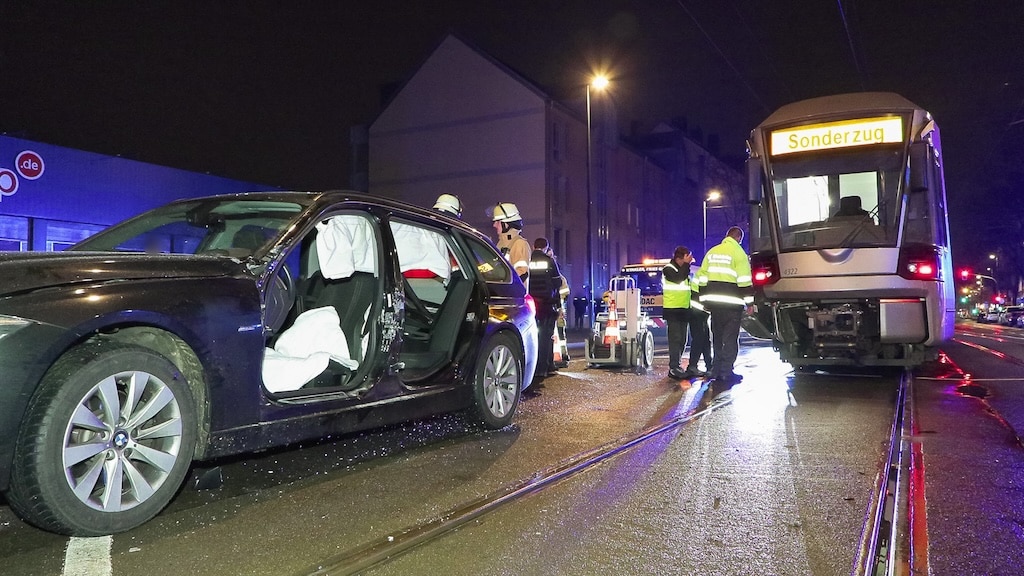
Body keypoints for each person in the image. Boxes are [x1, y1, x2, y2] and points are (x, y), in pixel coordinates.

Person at [696, 226, 754, 385]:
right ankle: (726, 372)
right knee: (729, 339)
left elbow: (702, 278)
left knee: (717, 338)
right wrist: (749, 303)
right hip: (732, 305)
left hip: (714, 304)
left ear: (726, 236)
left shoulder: (712, 252)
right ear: (739, 239)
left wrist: (705, 300)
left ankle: (715, 370)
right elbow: (744, 282)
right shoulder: (739, 254)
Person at [529, 237, 562, 376]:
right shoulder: (549, 261)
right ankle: (544, 367)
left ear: (533, 246)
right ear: (546, 248)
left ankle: (533, 367)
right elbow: (558, 282)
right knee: (545, 336)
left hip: (530, 303)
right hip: (547, 304)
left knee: (532, 336)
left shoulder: (527, 261)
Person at [662, 246, 695, 380]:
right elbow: (678, 279)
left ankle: (677, 365)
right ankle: (673, 367)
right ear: (678, 258)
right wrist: (686, 265)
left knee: (682, 340)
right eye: (685, 259)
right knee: (675, 340)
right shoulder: (668, 269)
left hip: (683, 309)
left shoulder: (683, 269)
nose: (687, 262)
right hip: (673, 310)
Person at [684, 268, 713, 378]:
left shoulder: (703, 272)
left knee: (704, 340)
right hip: (697, 311)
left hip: (699, 311)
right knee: (699, 339)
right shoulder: (707, 274)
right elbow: (706, 294)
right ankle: (692, 367)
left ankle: (709, 365)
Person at [491, 202, 531, 281]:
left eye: (497, 222)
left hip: (511, 293)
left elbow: (522, 273)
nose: (494, 225)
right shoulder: (501, 243)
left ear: (506, 224)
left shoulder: (519, 244)